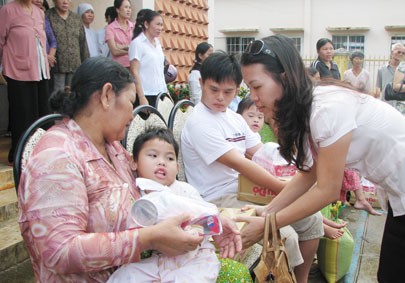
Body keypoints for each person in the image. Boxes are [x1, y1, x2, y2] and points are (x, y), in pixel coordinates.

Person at [17, 57, 241, 282]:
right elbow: (59, 252)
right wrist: (148, 239)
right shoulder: (56, 156)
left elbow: (158, 195)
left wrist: (209, 221)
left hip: (144, 270)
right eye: (131, 102)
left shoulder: (112, 148)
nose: (132, 114)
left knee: (233, 273)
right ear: (106, 96)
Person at [238, 34, 405, 282]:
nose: (254, 96)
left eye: (257, 86)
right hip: (403, 189)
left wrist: (268, 224)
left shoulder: (325, 108)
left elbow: (327, 189)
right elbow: (308, 174)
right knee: (394, 272)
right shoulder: (305, 108)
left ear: (284, 77)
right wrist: (268, 211)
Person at [181, 52, 323, 283]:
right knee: (284, 233)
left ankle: (301, 279)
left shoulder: (234, 118)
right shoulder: (199, 122)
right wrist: (283, 187)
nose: (220, 98)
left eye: (228, 92)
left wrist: (290, 173)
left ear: (238, 89)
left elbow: (260, 153)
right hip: (219, 198)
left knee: (313, 218)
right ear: (201, 84)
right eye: (213, 89)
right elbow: (243, 164)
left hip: (246, 191)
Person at [108, 127, 222, 282]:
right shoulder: (135, 195)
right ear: (133, 162)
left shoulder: (184, 191)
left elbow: (209, 219)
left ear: (177, 168)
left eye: (169, 158)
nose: (161, 161)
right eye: (153, 155)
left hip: (192, 258)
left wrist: (197, 232)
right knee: (125, 276)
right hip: (154, 261)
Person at [0, 0, 50, 165]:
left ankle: (40, 154)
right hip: (18, 71)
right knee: (22, 116)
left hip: (41, 71)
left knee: (42, 114)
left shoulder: (39, 12)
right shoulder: (8, 10)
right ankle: (19, 155)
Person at [46, 0, 89, 93]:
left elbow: (82, 43)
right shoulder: (48, 16)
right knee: (57, 96)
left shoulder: (76, 18)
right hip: (56, 66)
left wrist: (86, 64)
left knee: (73, 96)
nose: (65, 2)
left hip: (75, 66)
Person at [129, 9, 167, 106]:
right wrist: (142, 97)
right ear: (146, 24)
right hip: (146, 94)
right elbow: (134, 72)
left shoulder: (158, 43)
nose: (160, 28)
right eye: (157, 24)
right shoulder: (137, 43)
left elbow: (160, 70)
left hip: (160, 93)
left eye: (161, 25)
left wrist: (166, 93)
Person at [105, 0, 134, 68]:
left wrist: (120, 46)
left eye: (130, 7)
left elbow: (139, 47)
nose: (129, 10)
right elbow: (114, 51)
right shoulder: (110, 28)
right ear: (118, 10)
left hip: (134, 66)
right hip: (119, 68)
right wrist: (131, 49)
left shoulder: (134, 26)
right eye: (126, 7)